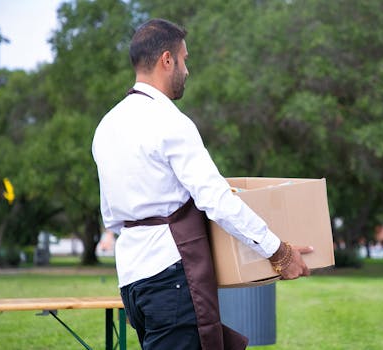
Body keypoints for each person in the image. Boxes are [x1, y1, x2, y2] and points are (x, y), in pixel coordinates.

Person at [92, 18, 313, 350]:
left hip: (132, 281)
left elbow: (111, 217)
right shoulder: (170, 121)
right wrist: (278, 251)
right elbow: (217, 201)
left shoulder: (106, 127)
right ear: (167, 60)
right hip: (172, 280)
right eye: (185, 58)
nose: (187, 70)